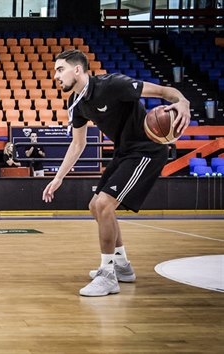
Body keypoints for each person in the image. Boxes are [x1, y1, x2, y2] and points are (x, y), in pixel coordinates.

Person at [42, 50, 190, 297]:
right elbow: (78, 144)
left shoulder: (113, 85)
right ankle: (121, 266)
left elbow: (165, 92)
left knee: (103, 204)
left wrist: (183, 102)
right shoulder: (76, 105)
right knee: (95, 206)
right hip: (125, 151)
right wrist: (59, 177)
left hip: (147, 150)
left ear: (77, 70)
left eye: (60, 69)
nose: (56, 76)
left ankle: (107, 275)